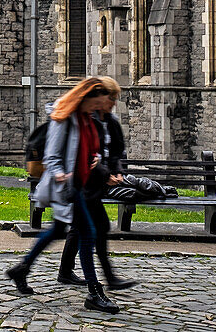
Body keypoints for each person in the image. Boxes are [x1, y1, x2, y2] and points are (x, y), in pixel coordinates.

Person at [6, 77, 120, 313]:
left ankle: (22, 269)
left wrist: (95, 159)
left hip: (79, 185)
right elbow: (51, 156)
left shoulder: (87, 119)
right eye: (96, 103)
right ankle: (94, 292)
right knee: (87, 234)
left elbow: (88, 149)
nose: (99, 108)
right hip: (69, 187)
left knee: (58, 230)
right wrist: (61, 174)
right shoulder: (65, 118)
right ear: (87, 97)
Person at [55, 81, 137, 292]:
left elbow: (117, 150)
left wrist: (117, 170)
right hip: (85, 184)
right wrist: (105, 174)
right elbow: (90, 157)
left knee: (84, 229)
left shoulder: (111, 121)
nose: (113, 103)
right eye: (111, 98)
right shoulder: (87, 120)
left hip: (98, 183)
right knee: (94, 229)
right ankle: (101, 283)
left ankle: (66, 272)